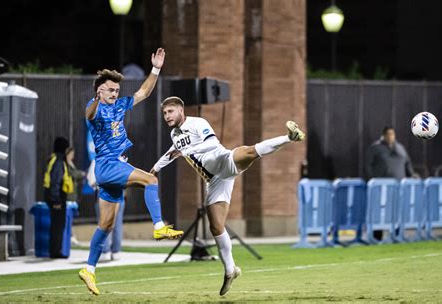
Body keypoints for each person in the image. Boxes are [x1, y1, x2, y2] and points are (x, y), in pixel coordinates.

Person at [150, 96, 306, 296]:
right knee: (216, 227)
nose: (167, 116)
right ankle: (230, 270)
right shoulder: (175, 134)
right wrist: (153, 169)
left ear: (181, 110)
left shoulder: (198, 122)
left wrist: (188, 150)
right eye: (164, 113)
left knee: (250, 152)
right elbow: (172, 152)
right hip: (214, 181)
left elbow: (211, 143)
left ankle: (289, 137)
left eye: (170, 111)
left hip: (223, 160)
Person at [78, 48, 183, 296]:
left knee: (106, 225)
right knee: (150, 179)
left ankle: (89, 269)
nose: (115, 93)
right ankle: (159, 226)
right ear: (99, 90)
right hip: (108, 165)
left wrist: (156, 69)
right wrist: (96, 99)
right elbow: (89, 114)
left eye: (116, 90)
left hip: (111, 170)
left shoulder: (121, 104)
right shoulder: (94, 108)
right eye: (110, 89)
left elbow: (144, 92)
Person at [43, 137, 72, 258]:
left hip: (53, 195)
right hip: (57, 197)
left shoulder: (53, 158)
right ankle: (55, 252)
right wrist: (56, 200)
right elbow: (56, 181)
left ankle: (55, 250)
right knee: (58, 225)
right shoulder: (59, 161)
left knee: (56, 224)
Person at [65, 147, 86, 246]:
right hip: (68, 195)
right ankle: (70, 237)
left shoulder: (71, 163)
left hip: (73, 194)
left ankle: (71, 236)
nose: (72, 156)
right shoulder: (65, 164)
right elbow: (72, 174)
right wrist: (81, 174)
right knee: (68, 217)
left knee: (71, 217)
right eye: (71, 153)